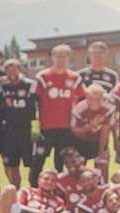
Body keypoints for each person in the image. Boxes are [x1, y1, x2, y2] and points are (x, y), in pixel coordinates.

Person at [32, 44, 83, 183]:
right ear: (52, 57)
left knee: (61, 161)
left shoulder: (75, 77)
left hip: (66, 127)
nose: (61, 59)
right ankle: (33, 191)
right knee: (38, 160)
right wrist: (34, 124)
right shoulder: (42, 76)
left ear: (69, 58)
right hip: (46, 127)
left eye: (64, 56)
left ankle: (59, 190)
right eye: (58, 56)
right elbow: (33, 100)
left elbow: (83, 100)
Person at [0, 59, 39, 190]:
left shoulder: (29, 85)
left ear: (19, 70)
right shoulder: (3, 87)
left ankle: (32, 190)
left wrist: (37, 125)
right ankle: (17, 192)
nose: (12, 73)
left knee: (31, 163)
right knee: (13, 164)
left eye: (14, 70)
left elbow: (39, 106)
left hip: (27, 130)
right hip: (9, 131)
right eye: (8, 71)